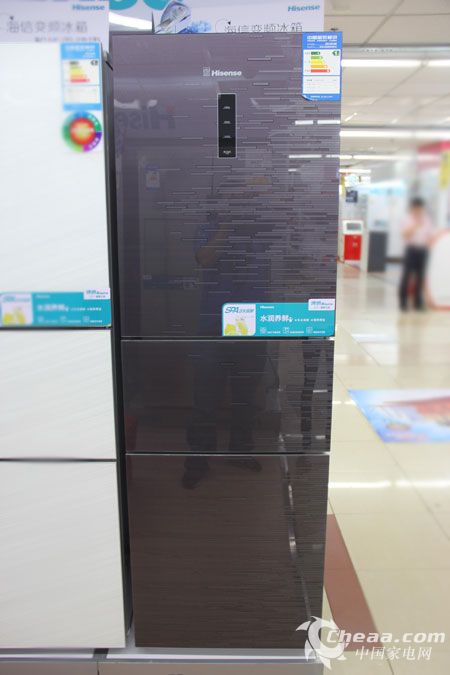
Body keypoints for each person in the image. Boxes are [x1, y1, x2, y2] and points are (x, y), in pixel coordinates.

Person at [399, 197, 433, 311]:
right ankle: (403, 302)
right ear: (412, 208)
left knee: (420, 277)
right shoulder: (407, 219)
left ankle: (417, 303)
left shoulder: (427, 219)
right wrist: (416, 225)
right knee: (407, 276)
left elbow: (429, 235)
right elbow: (404, 235)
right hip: (411, 250)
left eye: (420, 208)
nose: (419, 211)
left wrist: (428, 245)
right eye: (416, 208)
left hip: (423, 251)